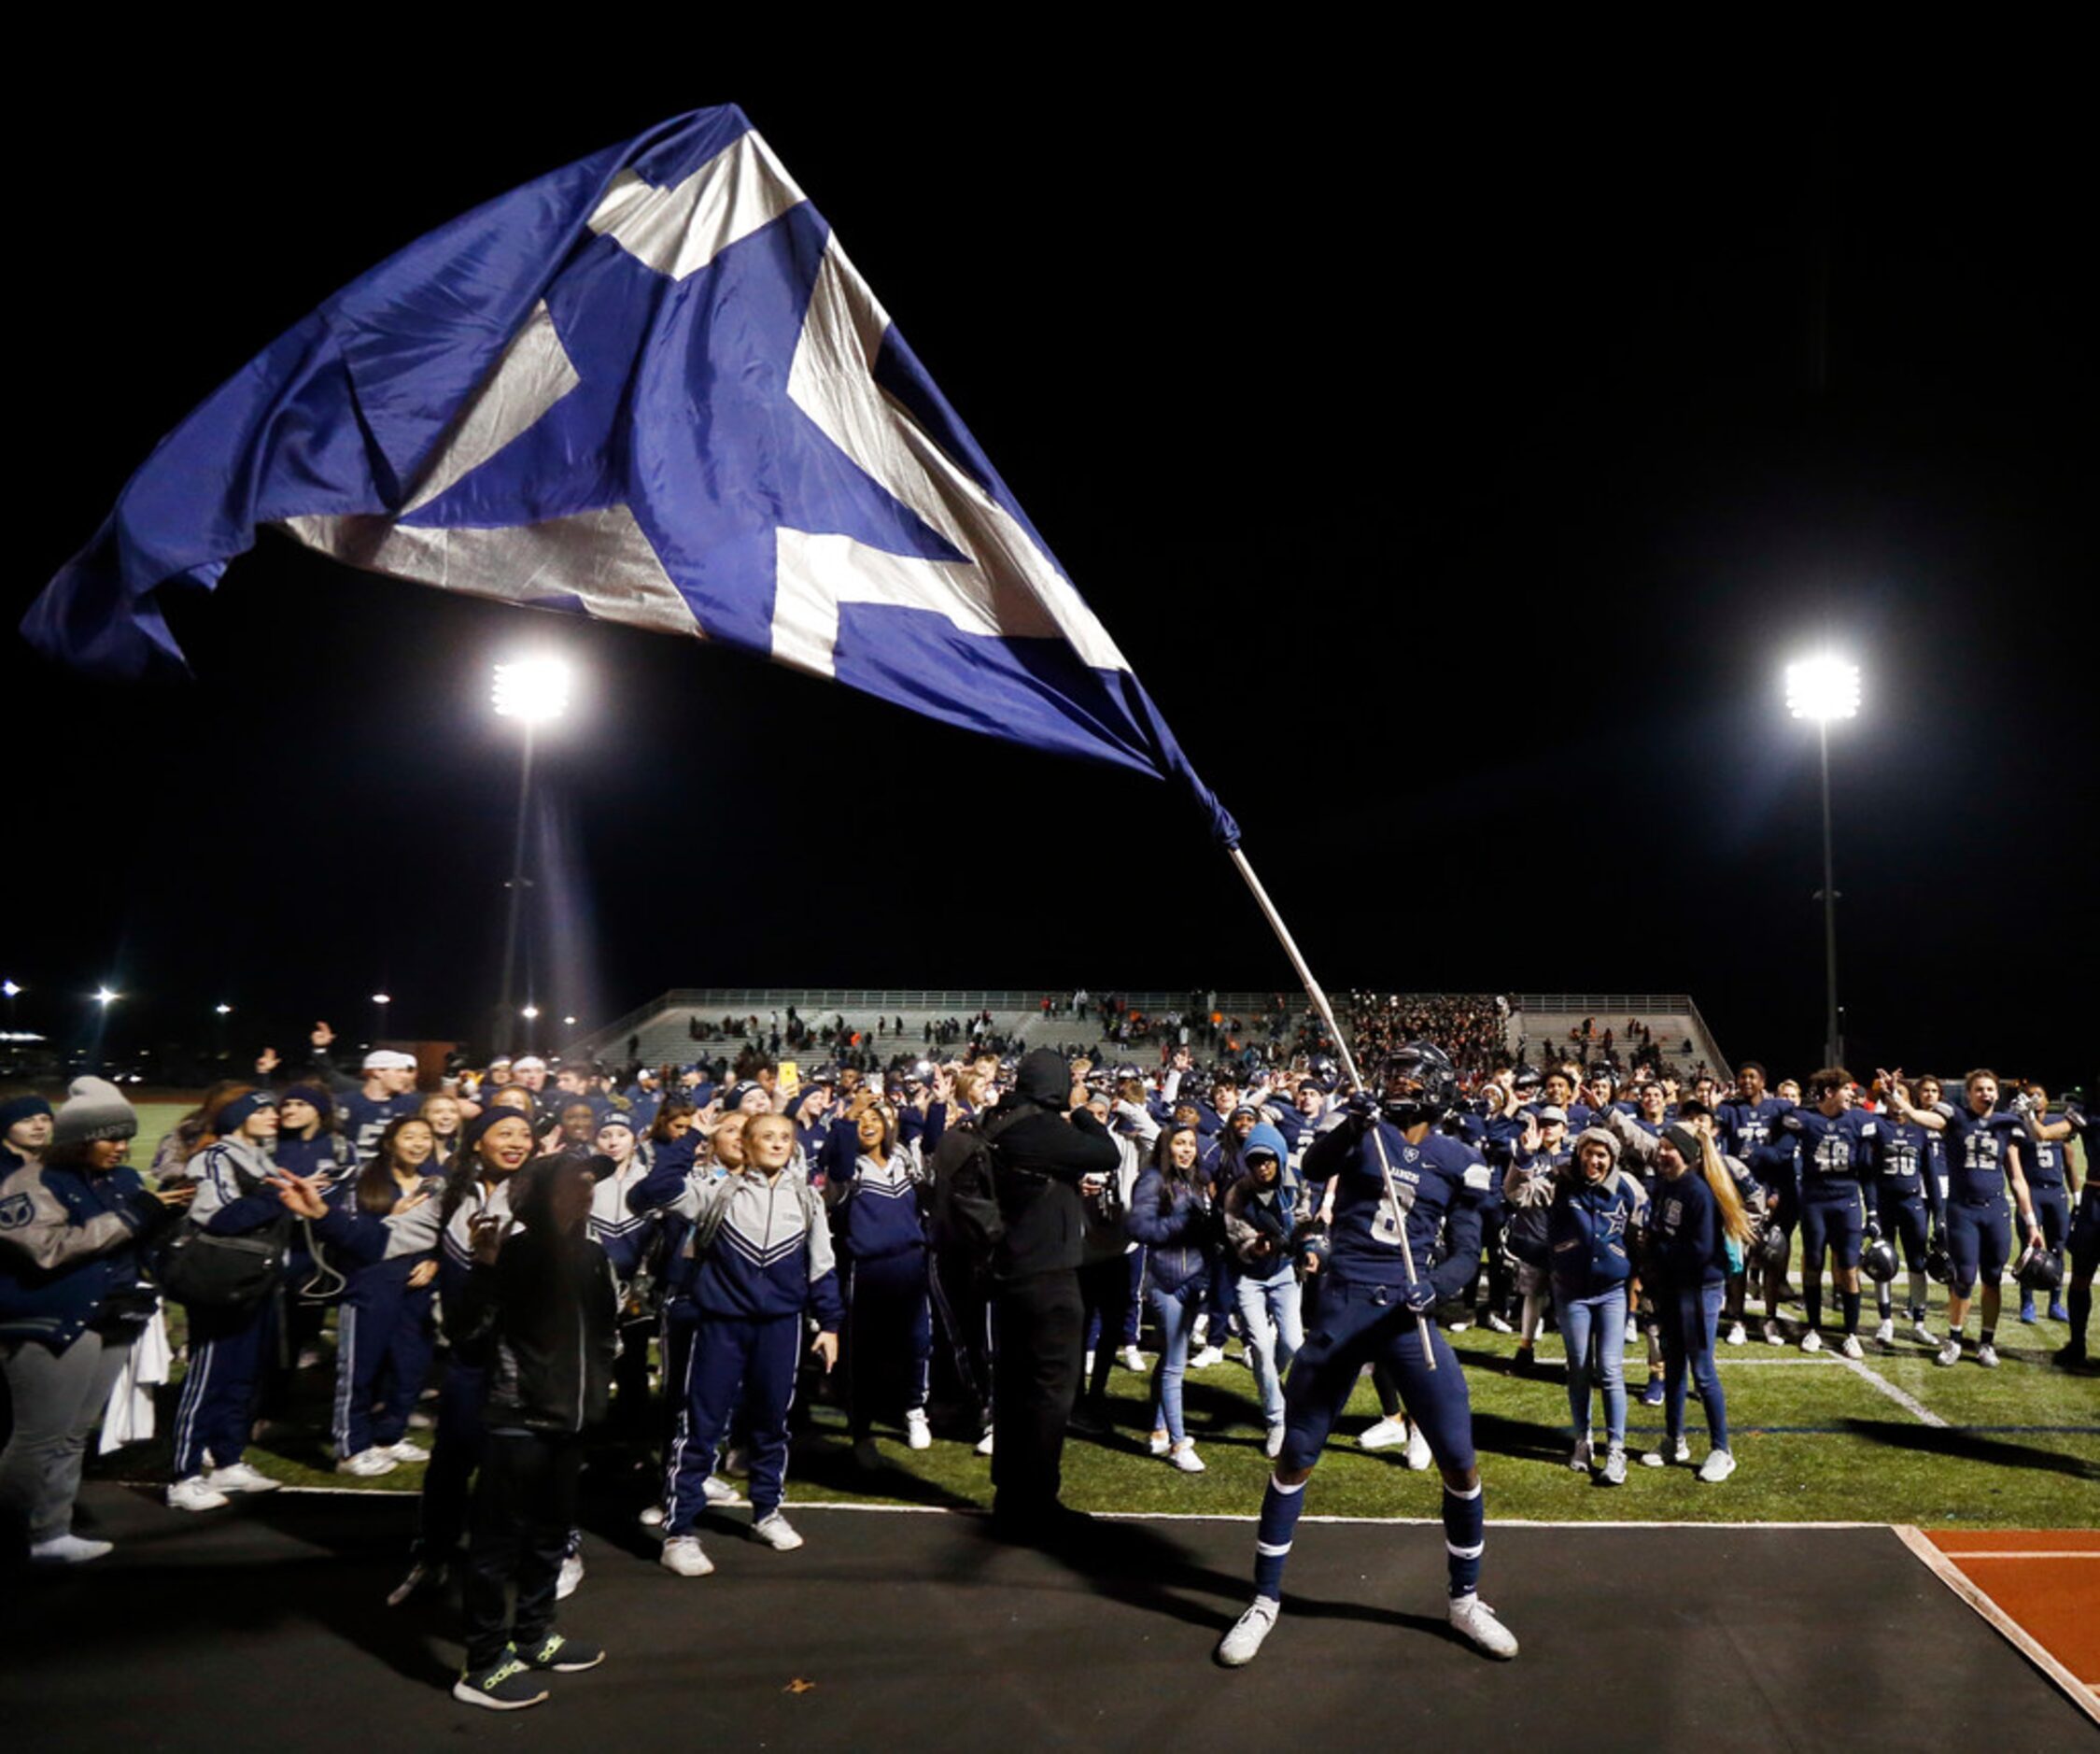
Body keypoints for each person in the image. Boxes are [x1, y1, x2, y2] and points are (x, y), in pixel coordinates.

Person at [1216, 1043, 1515, 1667]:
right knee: (1297, 1451)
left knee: (1459, 1458)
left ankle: (1464, 1599)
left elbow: (1466, 1250)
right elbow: (1317, 1160)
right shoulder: (1361, 1130)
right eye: (1395, 1073)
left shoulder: (1460, 1159)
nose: (1398, 1082)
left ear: (1436, 1088)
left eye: (1411, 1075)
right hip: (1343, 1301)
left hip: (1407, 1313)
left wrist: (1436, 1286)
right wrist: (1351, 1122)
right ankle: (1264, 1600)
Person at [634, 1110, 840, 1576]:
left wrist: (829, 1324)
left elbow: (821, 1266)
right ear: (745, 1145)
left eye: (784, 1136)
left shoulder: (807, 1199)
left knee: (771, 1422)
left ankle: (767, 1510)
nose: (776, 1143)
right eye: (765, 1136)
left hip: (781, 1327)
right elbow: (653, 1191)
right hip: (720, 1325)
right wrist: (693, 1139)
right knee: (701, 1426)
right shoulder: (715, 1192)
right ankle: (680, 1531)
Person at [444, 1155, 615, 1709]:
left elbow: (604, 1335)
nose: (584, 1194)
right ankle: (484, 1663)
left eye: (589, 1185)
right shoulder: (514, 1254)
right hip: (519, 1422)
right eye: (572, 1184)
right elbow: (466, 1333)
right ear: (539, 1195)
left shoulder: (592, 1255)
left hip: (572, 1424)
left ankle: (535, 1634)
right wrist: (484, 1269)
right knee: (496, 1549)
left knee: (549, 1538)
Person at [1, 1080, 189, 1563]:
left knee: (72, 1435)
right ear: (78, 1139)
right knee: (37, 1437)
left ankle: (50, 1533)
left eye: (125, 1137)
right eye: (110, 1137)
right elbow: (46, 1250)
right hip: (54, 1318)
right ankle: (10, 1533)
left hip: (113, 1316)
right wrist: (132, 1218)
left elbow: (136, 1245)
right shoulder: (30, 1182)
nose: (122, 1147)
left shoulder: (124, 1181)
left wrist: (165, 1227)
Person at [982, 1047, 1120, 1535]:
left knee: (1014, 1389)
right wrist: (1080, 1108)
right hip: (1049, 1277)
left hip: (1009, 1272)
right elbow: (1108, 1153)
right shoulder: (1042, 1128)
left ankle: (1009, 1495)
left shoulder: (998, 1121)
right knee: (1051, 1395)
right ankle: (1037, 1502)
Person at [168, 1089, 291, 1509]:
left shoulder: (258, 1155)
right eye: (262, 1109)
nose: (274, 1115)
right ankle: (183, 1475)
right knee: (209, 1377)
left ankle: (227, 1461)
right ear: (238, 1117)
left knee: (243, 1376)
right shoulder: (215, 1156)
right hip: (220, 1280)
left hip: (254, 1279)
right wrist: (278, 1196)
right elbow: (217, 1216)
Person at [1505, 1125, 1645, 1482]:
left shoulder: (1627, 1186)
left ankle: (1616, 1449)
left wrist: (1637, 1272)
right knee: (1578, 1367)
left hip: (1612, 1290)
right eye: (1588, 1152)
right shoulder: (1559, 1180)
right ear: (1578, 1153)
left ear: (1612, 1159)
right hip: (1571, 1291)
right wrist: (1523, 1158)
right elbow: (1517, 1193)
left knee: (1611, 1370)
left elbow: (1642, 1231)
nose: (1594, 1161)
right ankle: (1582, 1440)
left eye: (1601, 1155)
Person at [1882, 1068, 2043, 1367]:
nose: (1985, 1094)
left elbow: (2018, 1178)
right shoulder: (1955, 1117)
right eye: (1979, 1089)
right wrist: (1900, 1101)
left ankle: (1986, 1342)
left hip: (1995, 1209)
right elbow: (1926, 1119)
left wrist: (2032, 1223)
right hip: (1963, 1210)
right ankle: (1954, 1339)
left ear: (1998, 1093)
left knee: (1993, 1278)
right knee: (1964, 1278)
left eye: (1990, 1089)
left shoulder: (2007, 1123)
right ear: (1968, 1094)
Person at [823, 1091, 937, 1464]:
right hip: (867, 1269)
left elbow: (931, 1152)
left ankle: (914, 1410)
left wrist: (935, 1105)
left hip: (910, 1262)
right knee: (864, 1351)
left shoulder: (903, 1158)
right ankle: (861, 1428)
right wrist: (850, 1113)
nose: (868, 1125)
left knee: (918, 1341)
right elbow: (835, 1165)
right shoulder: (848, 1168)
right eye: (861, 1121)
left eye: (876, 1119)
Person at [328, 1114, 443, 1477]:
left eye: (425, 1137)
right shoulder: (364, 1179)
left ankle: (389, 1436)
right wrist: (389, 1218)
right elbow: (343, 1233)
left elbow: (450, 1232)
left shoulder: (437, 1184)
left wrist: (434, 1262)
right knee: (361, 1367)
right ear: (390, 1141)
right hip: (372, 1280)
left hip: (416, 1282)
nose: (419, 1144)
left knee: (409, 1365)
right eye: (409, 1136)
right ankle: (350, 1447)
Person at [1642, 1125, 1753, 1480]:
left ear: (1687, 1155)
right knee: (1673, 1365)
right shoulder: (1666, 1185)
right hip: (1675, 1286)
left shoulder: (1697, 1192)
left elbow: (1700, 1249)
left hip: (1699, 1288)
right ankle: (1674, 1440)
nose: (1661, 1154)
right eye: (1660, 1148)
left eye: (1668, 1149)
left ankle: (1723, 1450)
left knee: (1702, 1370)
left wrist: (1657, 1249)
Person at [1126, 1123, 1216, 1472]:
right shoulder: (1153, 1180)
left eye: (1191, 1144)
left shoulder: (1195, 1180)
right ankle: (1180, 1443)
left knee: (1170, 1360)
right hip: (1165, 1281)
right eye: (1180, 1143)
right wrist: (1181, 1223)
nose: (1187, 1150)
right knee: (1176, 1365)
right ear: (1167, 1146)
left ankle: (1160, 1430)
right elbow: (1138, 1227)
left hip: (1193, 1280)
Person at [1221, 1123, 1304, 1460]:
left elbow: (1304, 1216)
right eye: (1256, 1161)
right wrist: (1255, 1247)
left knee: (1293, 1343)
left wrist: (1308, 1244)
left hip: (1285, 1272)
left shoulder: (1293, 1181)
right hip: (1250, 1278)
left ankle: (1269, 1374)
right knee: (1260, 1344)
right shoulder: (1237, 1193)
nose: (1263, 1167)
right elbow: (1236, 1236)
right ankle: (1276, 1419)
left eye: (1269, 1160)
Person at [1780, 1068, 1874, 1357]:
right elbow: (1783, 1117)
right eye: (1847, 1090)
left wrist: (1873, 1212)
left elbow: (1868, 1171)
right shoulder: (1807, 1120)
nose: (1852, 1095)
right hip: (1815, 1202)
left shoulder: (1859, 1120)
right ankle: (1813, 1328)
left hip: (1846, 1202)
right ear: (1830, 1092)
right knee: (1814, 1264)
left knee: (1848, 1268)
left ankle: (1851, 1333)